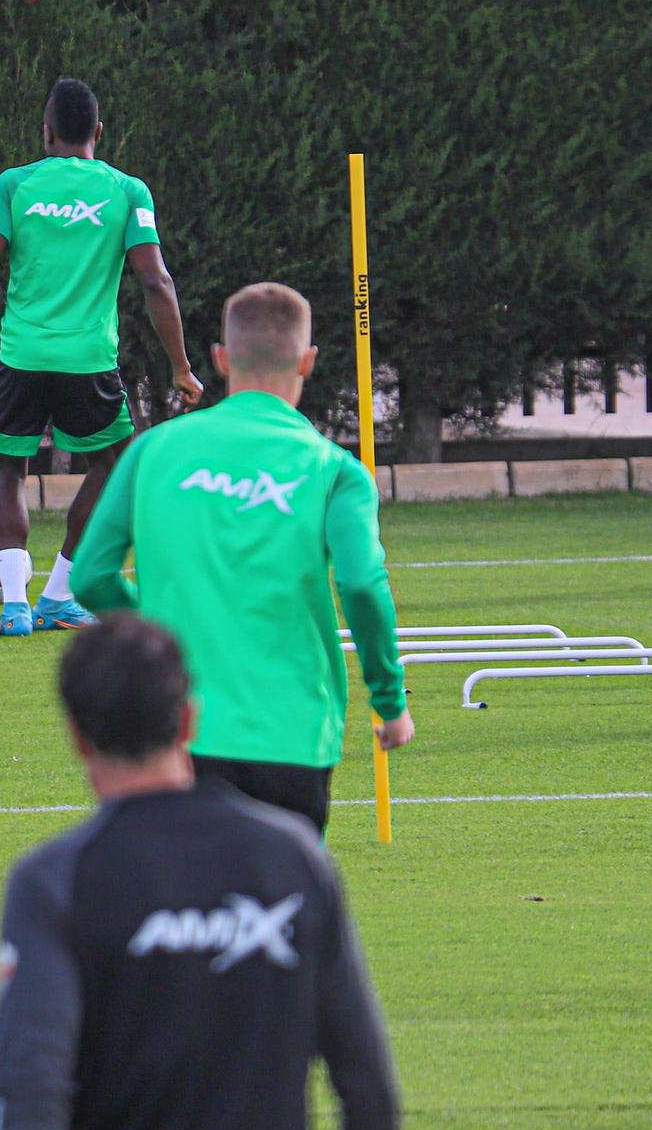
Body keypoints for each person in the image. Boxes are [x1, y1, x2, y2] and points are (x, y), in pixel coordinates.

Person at [0, 613, 399, 1130]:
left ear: (77, 734)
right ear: (188, 720)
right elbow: (366, 1087)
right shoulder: (293, 861)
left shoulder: (54, 884)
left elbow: (31, 1093)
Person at [72, 283, 413, 835]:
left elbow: (90, 576)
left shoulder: (153, 451)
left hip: (178, 727)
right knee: (274, 910)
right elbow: (363, 585)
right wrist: (389, 700)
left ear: (222, 359)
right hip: (293, 731)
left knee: (186, 911)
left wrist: (157, 630)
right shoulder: (336, 471)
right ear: (307, 361)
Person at [0, 78, 202, 637]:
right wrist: (181, 366)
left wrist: (6, 315)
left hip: (21, 355)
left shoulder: (15, 183)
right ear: (98, 132)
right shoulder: (126, 191)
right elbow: (157, 282)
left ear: (46, 133)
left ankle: (16, 607)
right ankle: (59, 594)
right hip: (89, 359)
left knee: (9, 469)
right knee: (113, 465)